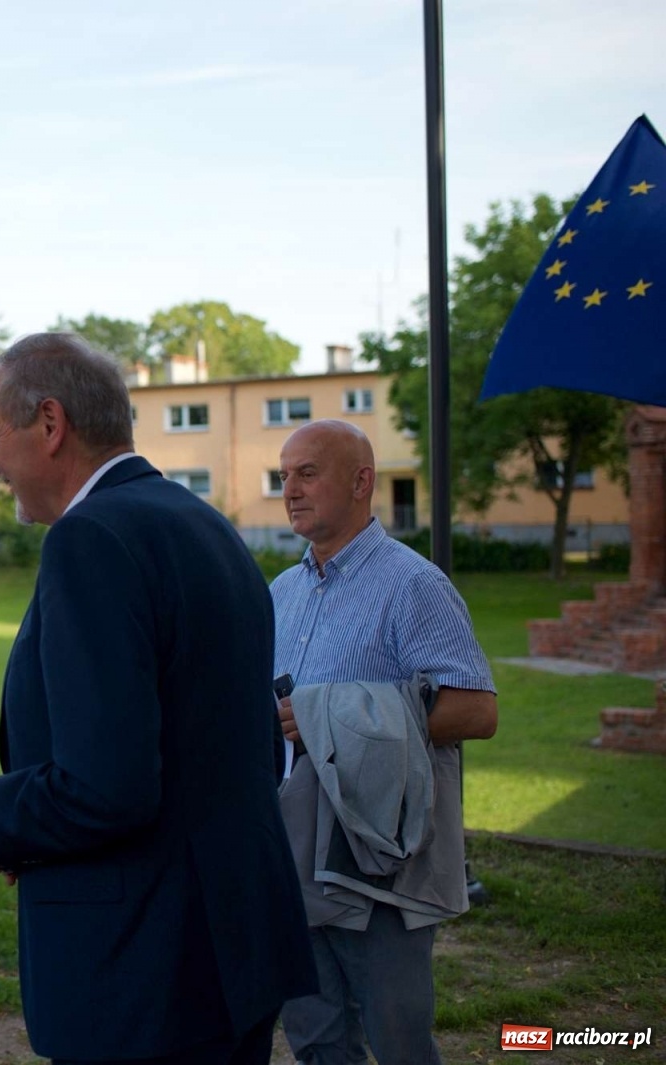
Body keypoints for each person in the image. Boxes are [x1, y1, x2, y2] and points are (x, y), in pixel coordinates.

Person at [0, 333, 316, 1065]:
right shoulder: (204, 525)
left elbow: (108, 788)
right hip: (230, 946)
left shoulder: (90, 540)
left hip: (145, 972)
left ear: (50, 423)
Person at [272, 420, 498, 1065]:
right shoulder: (282, 592)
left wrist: (332, 717)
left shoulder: (413, 584)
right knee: (316, 1041)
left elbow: (477, 710)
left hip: (375, 855)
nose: (290, 490)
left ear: (361, 481)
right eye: (284, 476)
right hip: (292, 850)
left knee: (398, 1042)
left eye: (307, 473)